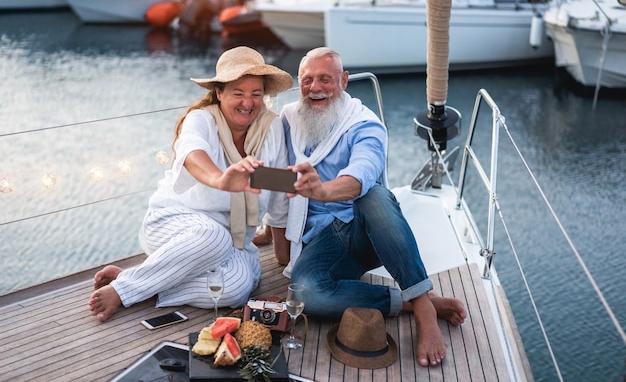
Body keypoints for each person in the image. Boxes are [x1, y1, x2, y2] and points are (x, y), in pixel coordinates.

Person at [281, 47, 467, 367]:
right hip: (321, 242)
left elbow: (359, 177)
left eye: (325, 79)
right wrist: (273, 232)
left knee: (376, 195)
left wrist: (322, 190)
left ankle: (423, 306)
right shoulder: (288, 120)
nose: (315, 87)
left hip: (361, 231)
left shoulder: (367, 125)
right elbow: (279, 183)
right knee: (302, 295)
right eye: (307, 80)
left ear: (345, 80)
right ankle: (409, 303)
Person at [88, 46, 293, 322]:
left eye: (256, 94)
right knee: (213, 238)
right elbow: (193, 155)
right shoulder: (202, 120)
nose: (248, 102)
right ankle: (124, 289)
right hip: (175, 224)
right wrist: (220, 179)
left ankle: (138, 280)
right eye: (238, 93)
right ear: (219, 93)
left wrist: (283, 253)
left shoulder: (272, 127)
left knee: (236, 288)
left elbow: (278, 186)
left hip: (235, 239)